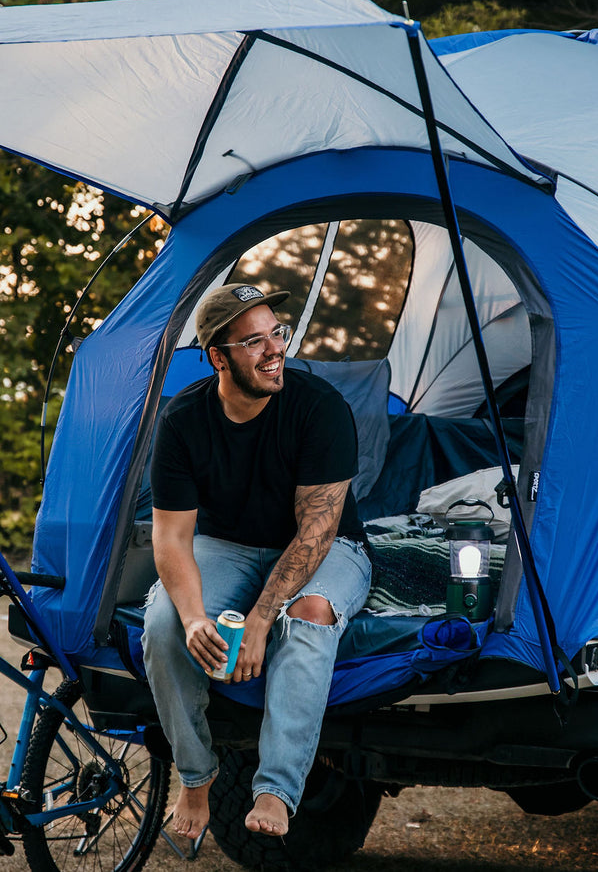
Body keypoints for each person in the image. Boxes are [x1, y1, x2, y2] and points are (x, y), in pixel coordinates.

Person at [141, 283, 372, 840]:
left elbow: (316, 531)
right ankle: (196, 776)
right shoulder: (183, 419)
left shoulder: (320, 408)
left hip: (330, 544)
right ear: (218, 357)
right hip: (227, 547)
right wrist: (196, 616)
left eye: (278, 333)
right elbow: (171, 537)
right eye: (253, 342)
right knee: (164, 621)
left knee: (311, 613)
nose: (275, 351)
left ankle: (275, 789)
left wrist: (263, 618)